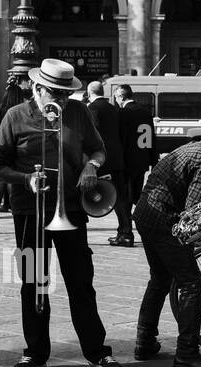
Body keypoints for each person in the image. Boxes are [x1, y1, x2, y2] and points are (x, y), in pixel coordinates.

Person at [0, 58, 123, 367]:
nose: (63, 100)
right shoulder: (15, 116)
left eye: (66, 94)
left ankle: (96, 351)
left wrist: (92, 165)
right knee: (34, 283)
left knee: (81, 282)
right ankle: (35, 351)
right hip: (29, 211)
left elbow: (98, 150)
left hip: (72, 210)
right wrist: (26, 179)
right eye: (56, 93)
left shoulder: (78, 112)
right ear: (37, 88)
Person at [132, 129, 201, 367]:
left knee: (160, 279)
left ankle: (144, 342)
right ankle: (187, 353)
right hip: (164, 218)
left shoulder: (195, 147)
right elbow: (192, 211)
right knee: (191, 283)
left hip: (146, 213)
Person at [0, 67, 31, 235]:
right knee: (13, 183)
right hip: (17, 150)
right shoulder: (20, 109)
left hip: (1, 148)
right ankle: (17, 212)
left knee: (0, 184)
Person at [84, 81, 128, 248]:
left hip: (100, 159)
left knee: (86, 193)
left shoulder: (92, 109)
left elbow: (92, 135)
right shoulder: (114, 108)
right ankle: (125, 232)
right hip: (116, 158)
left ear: (89, 92)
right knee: (120, 197)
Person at [114, 82, 158, 236]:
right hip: (142, 160)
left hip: (127, 162)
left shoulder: (122, 113)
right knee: (137, 195)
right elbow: (151, 137)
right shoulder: (145, 113)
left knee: (124, 198)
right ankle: (148, 223)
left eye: (116, 98)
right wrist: (153, 160)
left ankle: (126, 231)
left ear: (120, 97)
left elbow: (121, 139)